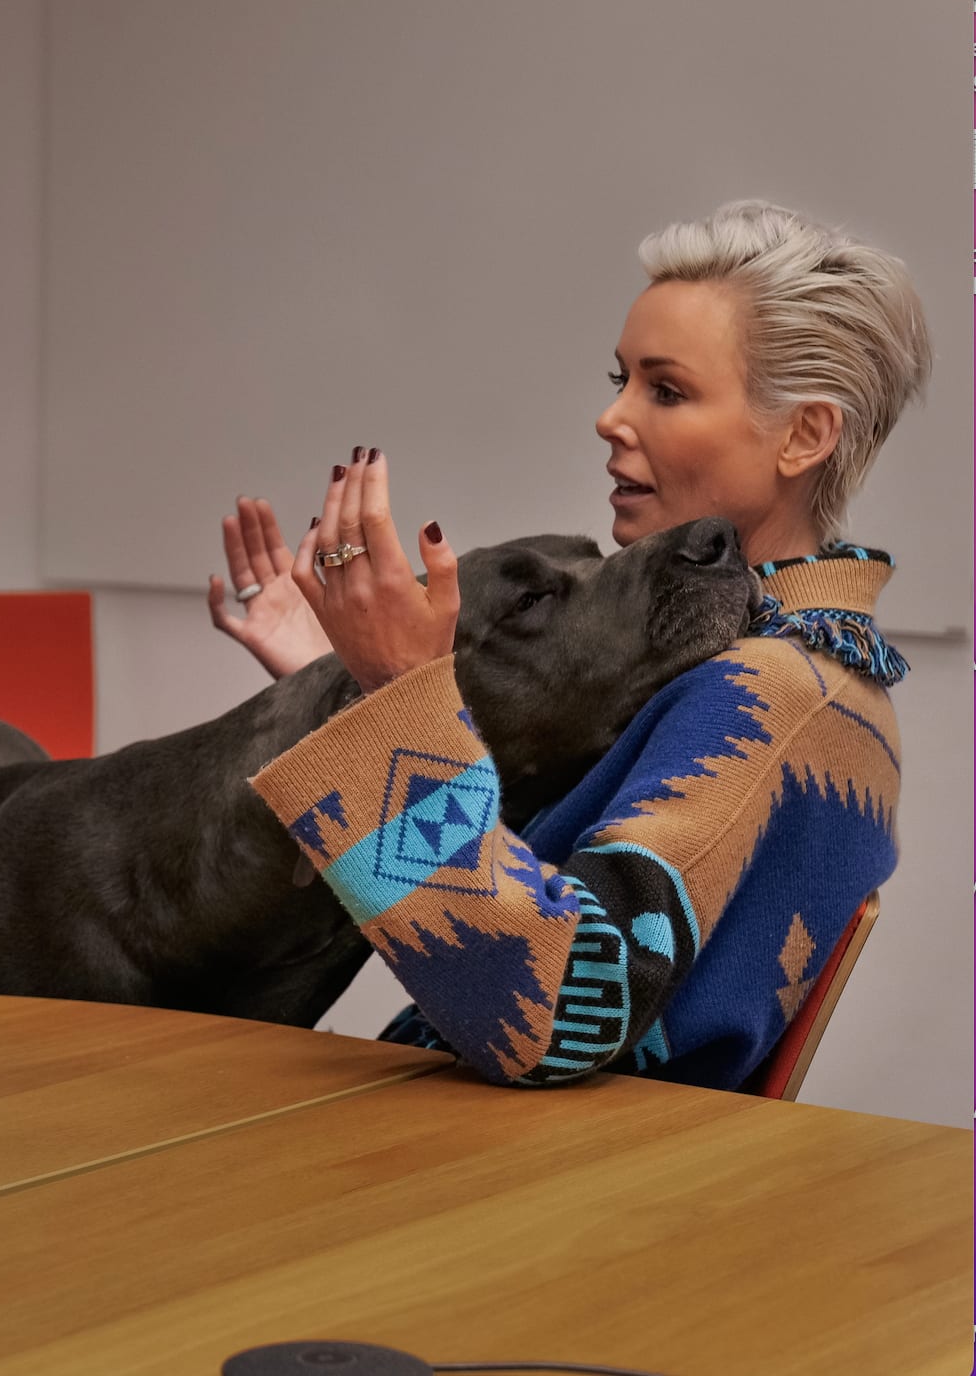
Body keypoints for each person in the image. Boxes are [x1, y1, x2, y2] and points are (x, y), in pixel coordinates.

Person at [217, 200, 929, 1088]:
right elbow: (540, 873)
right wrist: (345, 685)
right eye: (621, 379)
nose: (610, 417)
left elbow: (555, 1006)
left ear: (805, 435)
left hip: (532, 1185)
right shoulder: (785, 664)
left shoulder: (772, 695)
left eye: (665, 390)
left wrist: (396, 693)